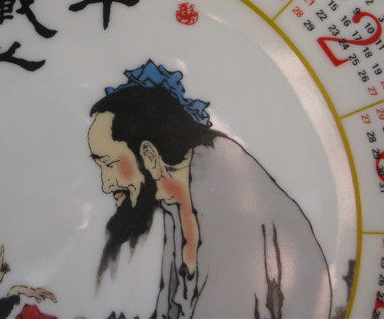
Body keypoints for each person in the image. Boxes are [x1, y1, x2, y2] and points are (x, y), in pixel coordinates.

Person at [88, 60, 332, 318]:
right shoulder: (177, 196)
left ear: (149, 155)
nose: (106, 184)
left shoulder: (226, 188)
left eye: (109, 163)